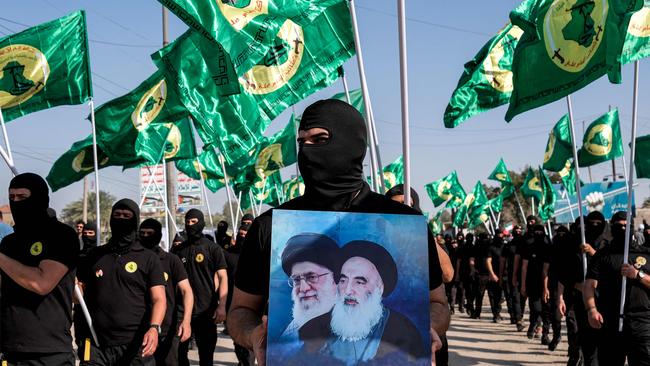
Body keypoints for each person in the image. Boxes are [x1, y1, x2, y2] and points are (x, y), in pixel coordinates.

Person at [228, 99, 448, 366]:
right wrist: (254, 335)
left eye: (320, 139)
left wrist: (430, 328)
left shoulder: (402, 221)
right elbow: (240, 311)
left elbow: (438, 303)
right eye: (302, 141)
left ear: (352, 142)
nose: (307, 150)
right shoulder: (269, 226)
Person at [299, 241, 425, 365]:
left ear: (379, 288)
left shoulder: (403, 332)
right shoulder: (314, 329)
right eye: (343, 280)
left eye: (359, 282)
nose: (348, 290)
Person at [0, 173, 79, 365]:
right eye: (12, 198)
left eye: (22, 197)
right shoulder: (9, 242)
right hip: (12, 350)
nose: (16, 203)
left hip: (50, 352)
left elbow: (41, 283)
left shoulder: (61, 235)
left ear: (39, 198)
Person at [77, 199, 166, 365]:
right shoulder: (94, 256)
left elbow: (159, 299)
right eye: (117, 215)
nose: (121, 219)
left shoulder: (148, 258)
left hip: (136, 345)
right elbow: (78, 296)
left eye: (126, 215)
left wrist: (154, 328)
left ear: (135, 220)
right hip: (96, 344)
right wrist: (73, 287)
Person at [584, 211, 650, 366]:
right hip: (610, 322)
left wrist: (638, 275)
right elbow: (589, 285)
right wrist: (591, 309)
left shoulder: (646, 254)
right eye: (619, 226)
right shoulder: (602, 255)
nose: (623, 229)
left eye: (627, 226)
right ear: (612, 227)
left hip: (641, 322)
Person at [173, 209, 228, 366]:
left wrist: (222, 306)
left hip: (206, 310)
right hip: (181, 311)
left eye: (194, 222)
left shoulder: (213, 249)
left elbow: (223, 277)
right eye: (187, 222)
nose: (190, 225)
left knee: (206, 356)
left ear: (202, 223)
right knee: (179, 354)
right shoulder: (179, 250)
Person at [139, 219, 194, 366]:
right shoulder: (134, 260)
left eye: (149, 233)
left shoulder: (171, 260)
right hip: (139, 328)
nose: (145, 236)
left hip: (167, 328)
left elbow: (186, 291)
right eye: (142, 233)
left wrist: (186, 321)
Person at [224, 223, 254, 366]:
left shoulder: (258, 254)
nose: (243, 236)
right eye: (240, 233)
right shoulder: (228, 254)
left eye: (246, 234)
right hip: (233, 303)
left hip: (255, 304)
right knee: (237, 339)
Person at [521, 224, 552, 344]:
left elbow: (546, 270)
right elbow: (524, 267)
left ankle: (545, 334)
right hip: (532, 282)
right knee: (535, 308)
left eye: (541, 232)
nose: (538, 234)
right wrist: (523, 284)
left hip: (546, 284)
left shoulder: (548, 248)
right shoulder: (529, 247)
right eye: (536, 232)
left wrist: (546, 288)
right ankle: (533, 324)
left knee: (546, 311)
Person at [500, 225, 524, 330]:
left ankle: (520, 316)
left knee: (523, 298)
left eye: (520, 230)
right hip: (512, 275)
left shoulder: (526, 244)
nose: (518, 232)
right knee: (515, 297)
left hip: (527, 275)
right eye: (516, 231)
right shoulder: (508, 246)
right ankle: (518, 319)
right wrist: (501, 276)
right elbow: (502, 262)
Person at [470, 233, 491, 319]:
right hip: (483, 274)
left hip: (484, 274)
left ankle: (477, 313)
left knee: (479, 295)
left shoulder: (477, 247)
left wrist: (473, 269)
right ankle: (477, 313)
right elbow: (472, 260)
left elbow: (471, 260)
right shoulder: (485, 246)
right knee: (481, 295)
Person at [486, 229, 504, 323]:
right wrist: (492, 274)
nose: (500, 236)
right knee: (494, 296)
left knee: (502, 297)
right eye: (499, 234)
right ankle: (496, 314)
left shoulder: (504, 246)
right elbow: (488, 261)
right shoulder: (491, 247)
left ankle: (498, 311)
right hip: (494, 276)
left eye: (501, 234)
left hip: (504, 275)